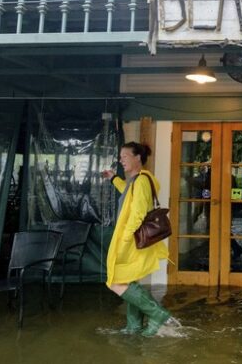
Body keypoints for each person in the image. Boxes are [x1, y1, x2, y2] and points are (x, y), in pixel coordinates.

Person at [101, 142, 172, 337]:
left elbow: (138, 213)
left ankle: (158, 314)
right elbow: (127, 192)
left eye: (125, 156)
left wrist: (124, 239)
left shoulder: (141, 181)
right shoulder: (138, 181)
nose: (121, 159)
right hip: (133, 238)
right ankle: (134, 326)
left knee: (115, 280)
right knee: (128, 280)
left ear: (137, 157)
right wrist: (113, 178)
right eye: (120, 156)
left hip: (131, 239)